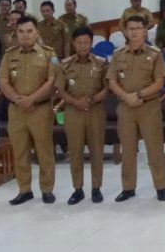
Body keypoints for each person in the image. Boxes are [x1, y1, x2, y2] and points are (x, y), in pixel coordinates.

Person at [0, 16, 58, 205]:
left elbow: (52, 82)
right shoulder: (9, 55)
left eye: (29, 31)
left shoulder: (49, 54)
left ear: (37, 32)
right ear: (16, 33)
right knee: (20, 152)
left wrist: (31, 99)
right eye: (21, 32)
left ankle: (47, 189)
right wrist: (18, 99)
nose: (25, 35)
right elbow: (3, 82)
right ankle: (24, 190)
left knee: (44, 151)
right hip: (17, 111)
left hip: (41, 109)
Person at [107, 16, 165, 202]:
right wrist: (126, 97)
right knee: (128, 149)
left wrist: (139, 95)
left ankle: (160, 187)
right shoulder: (118, 54)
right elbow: (112, 81)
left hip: (149, 107)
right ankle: (128, 187)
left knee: (154, 149)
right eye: (130, 28)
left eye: (138, 28)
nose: (134, 32)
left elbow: (159, 82)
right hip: (126, 107)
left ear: (144, 31)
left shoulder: (155, 54)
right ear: (125, 31)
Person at [55, 28, 109, 205]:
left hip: (96, 110)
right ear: (73, 43)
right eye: (79, 43)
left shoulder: (101, 63)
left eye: (86, 42)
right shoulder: (64, 65)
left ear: (91, 43)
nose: (83, 46)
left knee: (96, 150)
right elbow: (60, 90)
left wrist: (93, 100)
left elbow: (108, 87)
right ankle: (77, 189)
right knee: (75, 151)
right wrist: (74, 102)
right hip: (73, 111)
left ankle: (96, 188)